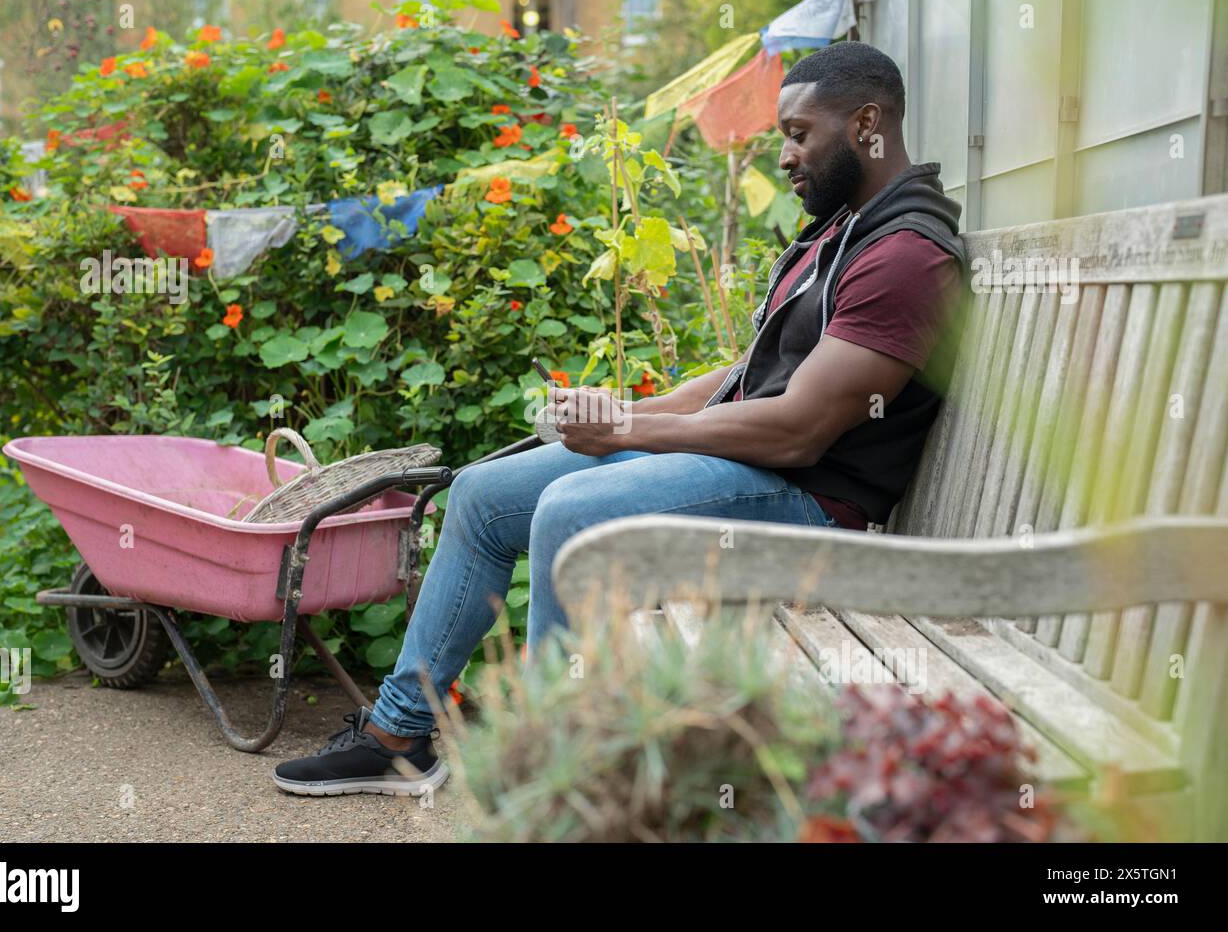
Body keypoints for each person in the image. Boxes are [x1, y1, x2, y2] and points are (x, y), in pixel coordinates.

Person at [272, 41, 967, 797]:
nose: (787, 157)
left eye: (799, 134)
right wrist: (626, 412)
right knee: (480, 494)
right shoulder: (842, 229)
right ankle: (397, 735)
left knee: (575, 511)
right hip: (751, 473)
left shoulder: (905, 255)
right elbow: (746, 375)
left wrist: (627, 435)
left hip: (813, 507)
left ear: (866, 123)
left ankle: (557, 771)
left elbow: (797, 429)